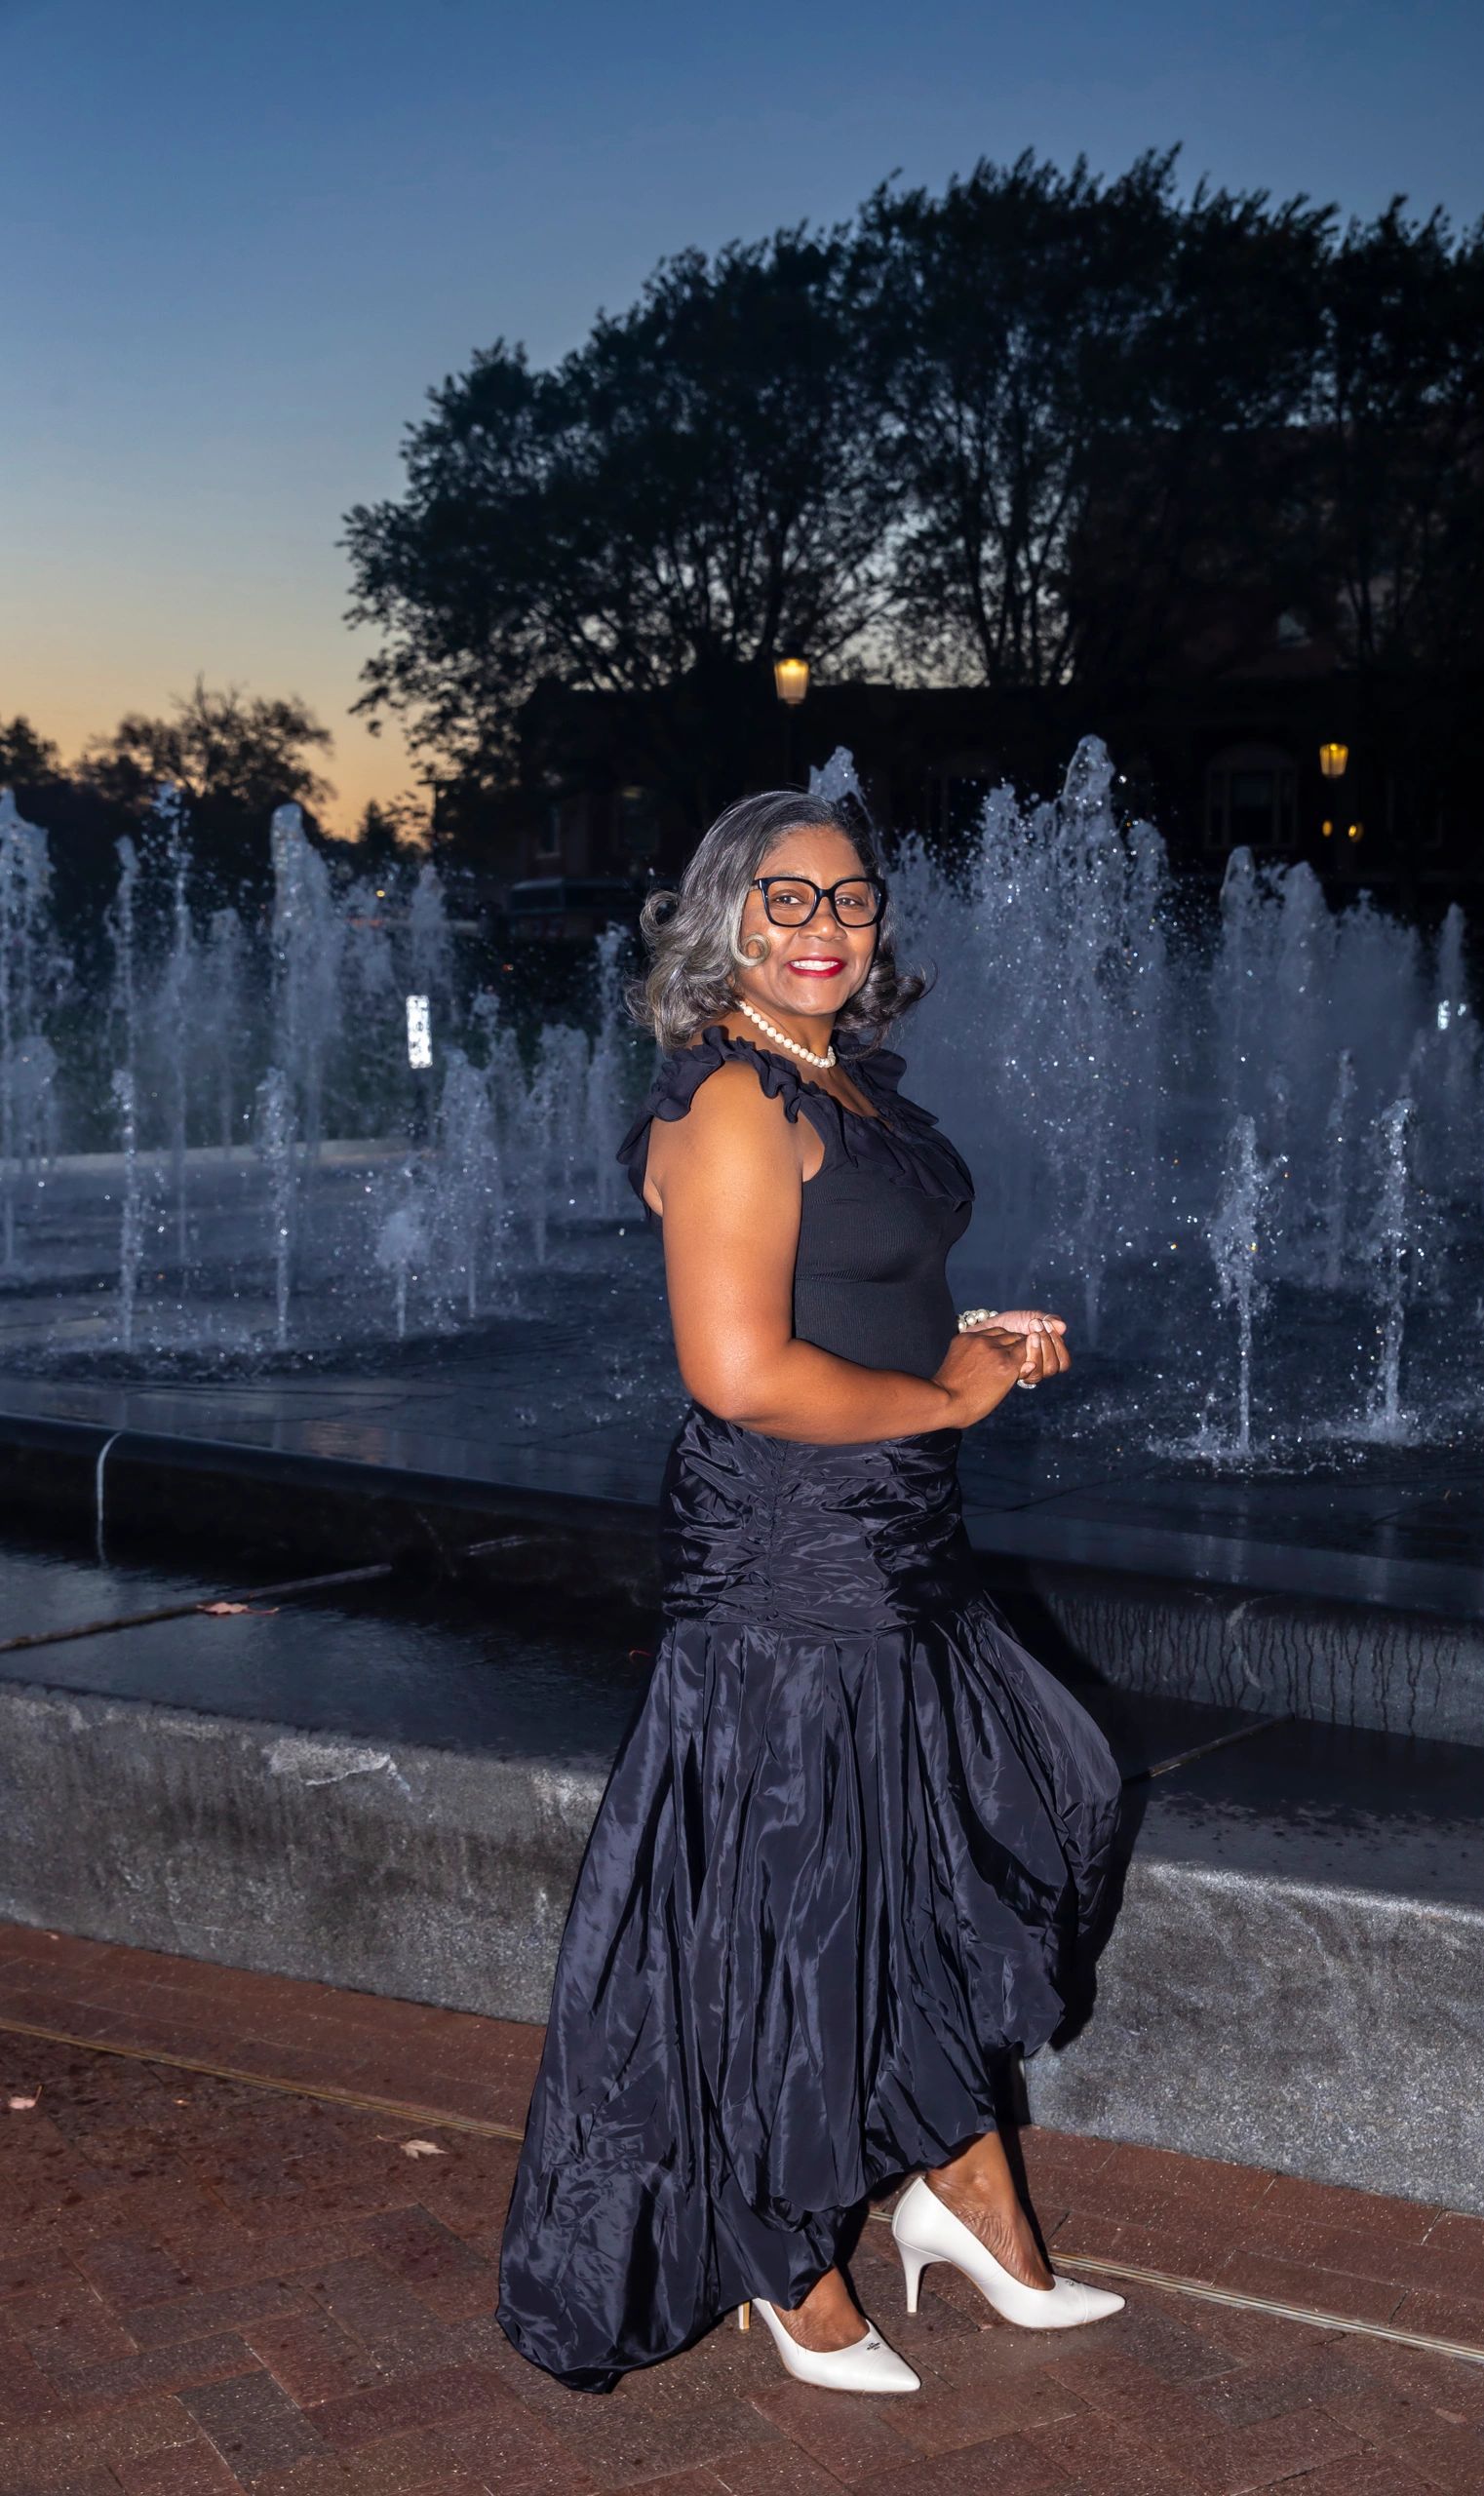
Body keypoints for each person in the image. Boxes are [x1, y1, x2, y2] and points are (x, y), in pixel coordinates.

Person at [497, 789, 1124, 2397]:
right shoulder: (726, 1101)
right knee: (808, 1895)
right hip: (791, 1544)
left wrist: (968, 1343)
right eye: (782, 902)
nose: (821, 929)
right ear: (721, 917)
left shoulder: (832, 1077)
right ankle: (787, 2250)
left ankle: (958, 2189)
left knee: (936, 1849)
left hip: (893, 1524)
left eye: (847, 901)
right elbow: (739, 1373)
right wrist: (952, 1400)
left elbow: (852, 1291)